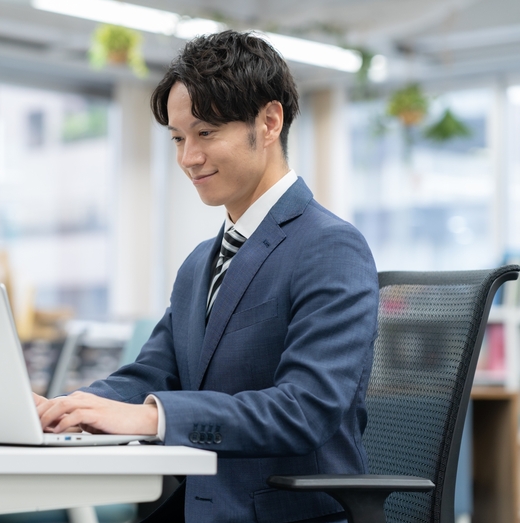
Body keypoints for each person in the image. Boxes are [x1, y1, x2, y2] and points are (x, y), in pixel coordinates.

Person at [35, 30, 379, 523]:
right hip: (200, 509)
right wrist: (67, 409)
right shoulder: (200, 262)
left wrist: (156, 417)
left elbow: (304, 409)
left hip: (283, 514)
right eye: (178, 138)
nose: (187, 158)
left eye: (206, 133)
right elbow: (152, 375)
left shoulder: (329, 247)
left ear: (268, 121)